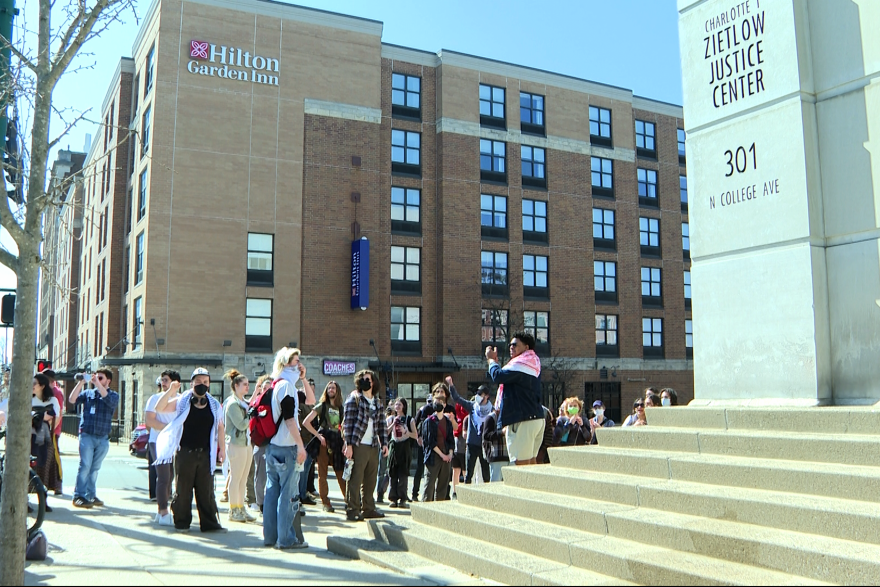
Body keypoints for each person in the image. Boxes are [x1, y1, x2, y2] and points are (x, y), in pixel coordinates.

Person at [155, 367, 226, 533]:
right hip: (185, 452)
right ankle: (182, 522)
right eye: (199, 381)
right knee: (183, 489)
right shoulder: (182, 401)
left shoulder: (215, 405)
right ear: (192, 383)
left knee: (206, 490)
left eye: (205, 382)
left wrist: (222, 450)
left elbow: (220, 428)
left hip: (206, 453)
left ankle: (209, 523)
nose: (202, 384)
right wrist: (171, 390)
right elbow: (160, 408)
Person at [263, 347, 312, 550]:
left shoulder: (277, 385)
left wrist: (303, 378)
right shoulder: (287, 387)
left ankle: (270, 537)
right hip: (287, 447)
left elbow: (310, 400)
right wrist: (300, 445)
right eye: (295, 361)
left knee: (272, 492)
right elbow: (291, 419)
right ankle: (286, 539)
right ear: (285, 363)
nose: (298, 365)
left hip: (273, 446)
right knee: (288, 494)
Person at [486, 332, 545, 466]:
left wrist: (491, 361)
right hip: (536, 419)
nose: (511, 347)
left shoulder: (522, 363)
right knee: (531, 463)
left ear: (526, 347)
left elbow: (498, 376)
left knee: (522, 466)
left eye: (515, 344)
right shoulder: (533, 362)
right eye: (510, 345)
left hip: (523, 420)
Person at [342, 369, 388, 522]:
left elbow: (382, 424)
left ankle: (368, 508)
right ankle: (352, 509)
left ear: (373, 382)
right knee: (355, 478)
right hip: (358, 444)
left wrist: (384, 444)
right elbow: (347, 424)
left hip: (373, 445)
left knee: (371, 479)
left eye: (368, 379)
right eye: (362, 379)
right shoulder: (354, 399)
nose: (365, 381)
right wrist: (348, 444)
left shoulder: (377, 402)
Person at [69, 369, 119, 509]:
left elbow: (108, 400)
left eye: (100, 378)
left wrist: (98, 384)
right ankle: (78, 495)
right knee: (85, 465)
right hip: (87, 434)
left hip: (102, 438)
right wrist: (81, 383)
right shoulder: (88, 394)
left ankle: (90, 495)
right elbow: (72, 400)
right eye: (96, 377)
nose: (96, 379)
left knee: (95, 468)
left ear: (108, 380)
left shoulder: (113, 395)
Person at [302, 381, 346, 513]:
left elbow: (343, 427)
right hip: (324, 442)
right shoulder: (322, 406)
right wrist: (319, 436)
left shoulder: (341, 408)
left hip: (337, 441)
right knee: (322, 473)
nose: (331, 390)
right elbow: (306, 422)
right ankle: (326, 503)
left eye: (333, 388)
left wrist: (345, 441)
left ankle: (349, 501)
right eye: (329, 388)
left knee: (341, 472)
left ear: (337, 391)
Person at [146, 370, 181, 525]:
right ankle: (164, 512)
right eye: (162, 380)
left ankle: (161, 511)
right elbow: (150, 421)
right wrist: (169, 428)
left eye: (166, 380)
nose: (163, 383)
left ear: (176, 383)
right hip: (158, 441)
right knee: (164, 476)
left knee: (171, 477)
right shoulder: (154, 399)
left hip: (174, 443)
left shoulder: (181, 400)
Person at [224, 369, 255, 523]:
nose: (247, 387)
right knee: (236, 478)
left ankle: (241, 508)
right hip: (236, 444)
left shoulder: (243, 402)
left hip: (246, 443)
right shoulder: (232, 404)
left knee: (243, 479)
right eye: (244, 384)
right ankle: (233, 509)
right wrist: (252, 414)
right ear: (236, 386)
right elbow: (242, 425)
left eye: (248, 384)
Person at [447, 379, 492, 485]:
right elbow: (457, 399)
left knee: (486, 473)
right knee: (469, 473)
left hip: (485, 444)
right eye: (478, 393)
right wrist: (451, 385)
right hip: (472, 444)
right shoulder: (472, 406)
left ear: (487, 396)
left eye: (481, 394)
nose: (478, 396)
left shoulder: (491, 410)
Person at [31, 373, 60, 512]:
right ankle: (24, 502)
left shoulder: (53, 400)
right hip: (29, 438)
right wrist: (43, 416)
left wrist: (39, 417)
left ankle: (43, 501)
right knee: (28, 469)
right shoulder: (28, 400)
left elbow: (55, 417)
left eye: (34, 384)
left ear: (42, 386)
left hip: (46, 438)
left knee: (44, 468)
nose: (31, 386)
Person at [421, 383, 454, 502]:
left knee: (443, 486)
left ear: (445, 404)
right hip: (434, 456)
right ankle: (426, 509)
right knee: (429, 485)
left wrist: (449, 454)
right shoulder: (429, 421)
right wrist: (442, 455)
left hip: (446, 456)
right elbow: (429, 442)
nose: (438, 404)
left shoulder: (448, 422)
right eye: (436, 402)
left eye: (441, 402)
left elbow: (450, 439)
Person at [386, 398, 417, 508]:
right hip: (394, 445)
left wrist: (407, 432)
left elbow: (416, 435)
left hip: (405, 446)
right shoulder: (391, 418)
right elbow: (385, 432)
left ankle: (403, 498)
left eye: (400, 404)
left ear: (404, 406)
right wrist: (393, 424)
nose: (397, 406)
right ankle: (393, 498)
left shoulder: (409, 419)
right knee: (392, 472)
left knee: (403, 474)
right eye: (396, 404)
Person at [250, 374, 272, 514]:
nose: (266, 390)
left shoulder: (276, 403)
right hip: (261, 443)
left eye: (269, 388)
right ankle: (260, 503)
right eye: (264, 388)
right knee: (261, 475)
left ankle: (269, 503)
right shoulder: (256, 403)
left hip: (274, 443)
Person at [40, 369, 64, 495]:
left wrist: (52, 430)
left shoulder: (56, 393)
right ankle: (52, 484)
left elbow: (58, 413)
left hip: (53, 431)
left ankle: (58, 484)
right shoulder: (45, 392)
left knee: (55, 457)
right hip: (44, 431)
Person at [296, 380, 317, 508]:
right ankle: (302, 494)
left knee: (305, 470)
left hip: (307, 440)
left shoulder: (306, 405)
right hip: (305, 440)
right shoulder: (304, 405)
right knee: (304, 470)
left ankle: (303, 493)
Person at [411, 395, 432, 502]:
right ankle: (415, 493)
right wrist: (418, 437)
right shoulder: (422, 410)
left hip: (434, 444)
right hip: (423, 443)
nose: (430, 403)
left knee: (433, 470)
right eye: (428, 401)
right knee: (419, 469)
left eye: (431, 401)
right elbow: (414, 423)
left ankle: (431, 494)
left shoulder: (437, 410)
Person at [482, 406, 509, 482]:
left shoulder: (510, 416)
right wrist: (501, 432)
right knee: (495, 484)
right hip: (496, 457)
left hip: (510, 456)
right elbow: (486, 436)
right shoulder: (491, 418)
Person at [376, 406, 394, 505]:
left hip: (392, 447)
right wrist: (382, 445)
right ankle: (380, 493)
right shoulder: (388, 419)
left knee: (388, 472)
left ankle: (383, 491)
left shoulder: (397, 419)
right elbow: (383, 432)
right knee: (382, 471)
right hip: (384, 447)